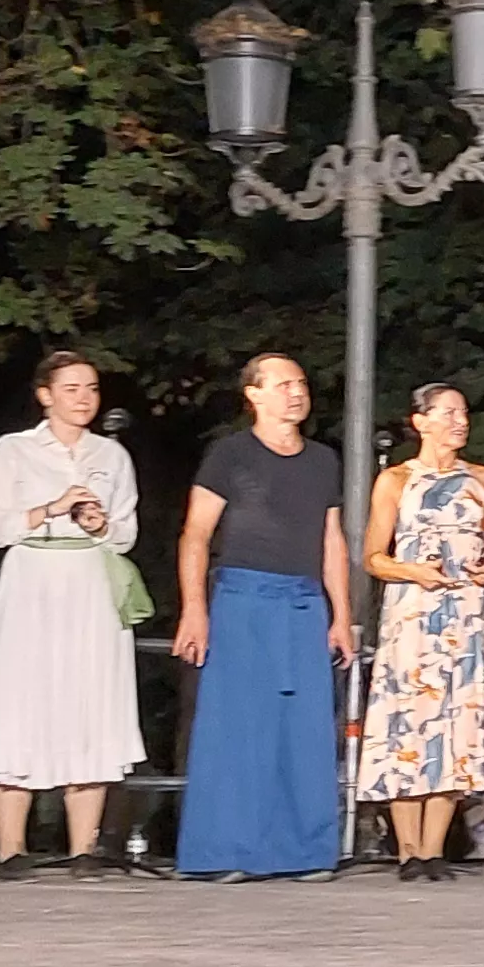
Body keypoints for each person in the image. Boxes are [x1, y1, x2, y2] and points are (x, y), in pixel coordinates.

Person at [174, 353, 355, 878]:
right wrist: (194, 609)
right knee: (239, 730)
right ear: (253, 394)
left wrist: (341, 614)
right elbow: (196, 534)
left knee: (305, 732)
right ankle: (228, 852)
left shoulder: (322, 459)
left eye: (301, 383)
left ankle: (304, 853)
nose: (295, 392)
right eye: (282, 384)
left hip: (302, 603)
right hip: (244, 600)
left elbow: (331, 540)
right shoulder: (229, 454)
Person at [0, 351, 144, 878]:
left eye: (91, 388)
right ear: (45, 394)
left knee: (90, 700)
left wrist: (97, 524)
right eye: (71, 388)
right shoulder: (14, 451)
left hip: (90, 582)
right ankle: (11, 848)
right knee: (20, 698)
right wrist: (50, 508)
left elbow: (128, 533)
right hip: (32, 583)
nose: (84, 398)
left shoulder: (112, 457)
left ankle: (83, 847)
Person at [358, 383, 484, 879]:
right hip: (414, 612)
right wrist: (414, 571)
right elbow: (374, 556)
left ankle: (435, 848)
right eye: (447, 413)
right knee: (410, 722)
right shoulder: (397, 480)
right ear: (420, 421)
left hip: (465, 612)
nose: (459, 421)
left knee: (456, 724)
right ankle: (407, 850)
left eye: (463, 412)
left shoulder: (483, 479)